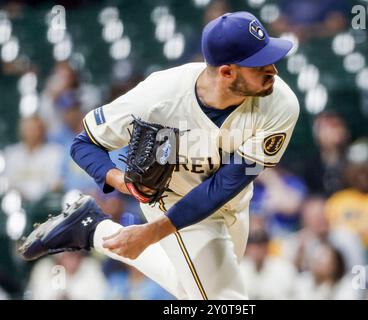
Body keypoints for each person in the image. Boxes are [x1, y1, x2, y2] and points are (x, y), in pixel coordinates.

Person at [20, 11, 299, 300]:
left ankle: (95, 229)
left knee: (195, 293)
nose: (273, 72)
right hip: (171, 200)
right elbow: (83, 144)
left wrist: (149, 235)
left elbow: (229, 183)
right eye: (259, 65)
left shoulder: (281, 104)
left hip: (235, 202)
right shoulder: (158, 96)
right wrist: (122, 183)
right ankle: (93, 229)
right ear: (227, 72)